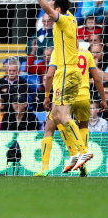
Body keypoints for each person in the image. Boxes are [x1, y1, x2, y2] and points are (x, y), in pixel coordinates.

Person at [27, 0, 91, 172]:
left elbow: (48, 7)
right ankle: (74, 154)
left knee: (63, 115)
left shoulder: (62, 20)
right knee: (55, 114)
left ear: (58, 9)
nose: (48, 5)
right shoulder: (70, 17)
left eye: (51, 5)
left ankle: (83, 150)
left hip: (65, 72)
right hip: (70, 73)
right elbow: (55, 1)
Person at [36, 45, 107, 176]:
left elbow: (50, 75)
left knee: (51, 127)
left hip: (64, 95)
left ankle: (46, 166)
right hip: (84, 95)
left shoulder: (59, 52)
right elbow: (97, 78)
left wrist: (47, 95)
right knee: (83, 125)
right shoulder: (87, 53)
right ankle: (82, 159)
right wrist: (103, 98)